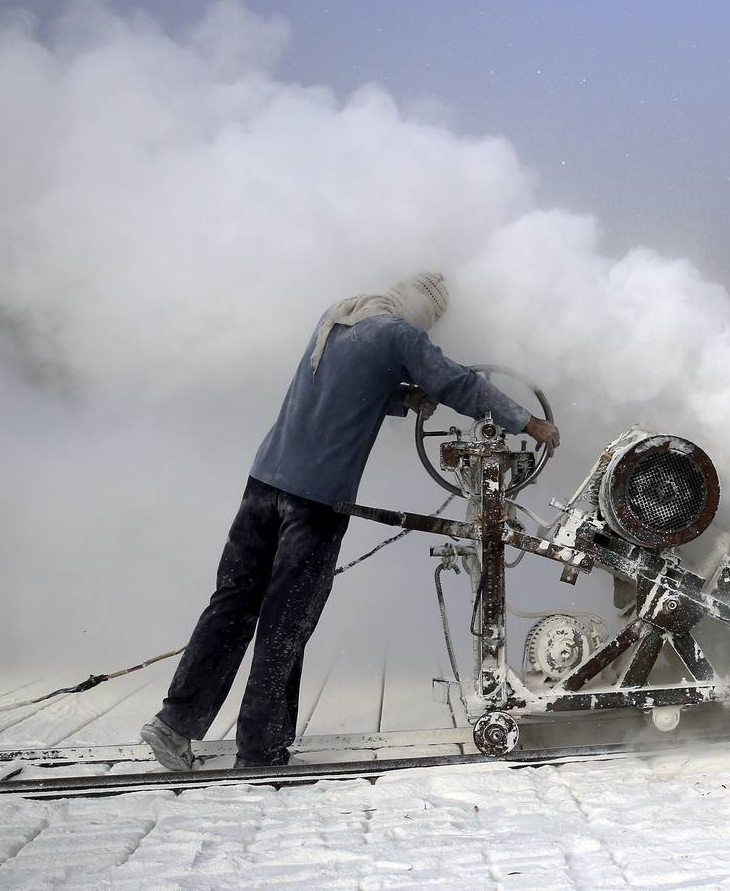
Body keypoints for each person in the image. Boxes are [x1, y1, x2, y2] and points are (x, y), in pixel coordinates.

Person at [141, 272, 560, 770]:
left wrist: (404, 398)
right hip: (313, 503)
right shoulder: (400, 335)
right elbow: (459, 384)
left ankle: (174, 726)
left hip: (263, 484)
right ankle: (261, 752)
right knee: (286, 623)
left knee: (231, 606)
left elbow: (345, 389)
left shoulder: (340, 317)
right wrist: (528, 422)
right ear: (423, 312)